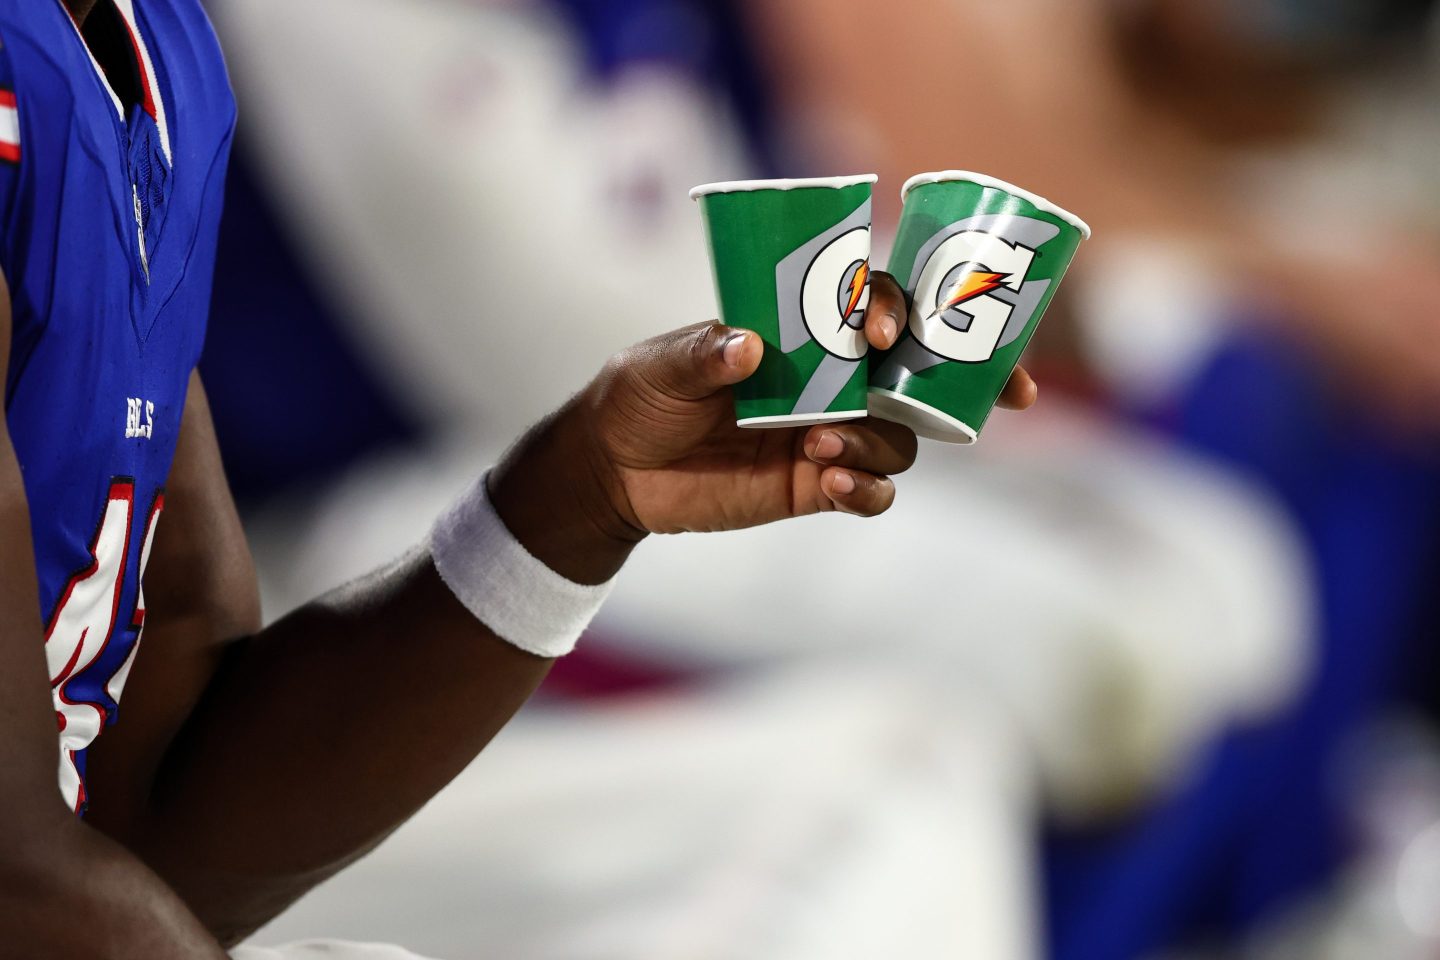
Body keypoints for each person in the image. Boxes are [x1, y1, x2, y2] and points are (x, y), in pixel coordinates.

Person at [0, 1, 1040, 957]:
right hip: (339, 508)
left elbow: (162, 814)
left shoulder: (155, 49)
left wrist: (584, 490)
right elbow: (18, 879)